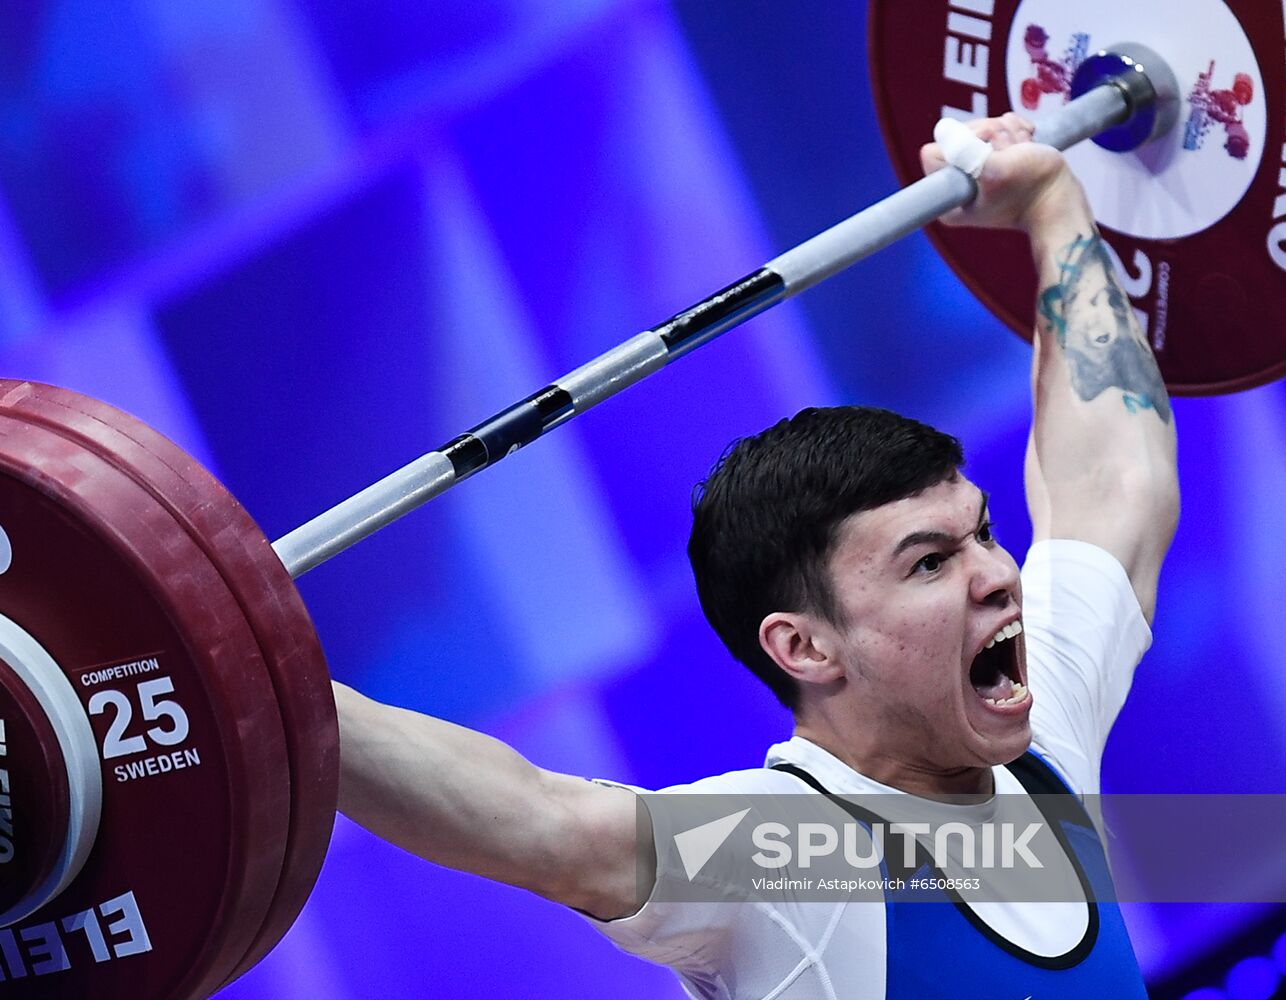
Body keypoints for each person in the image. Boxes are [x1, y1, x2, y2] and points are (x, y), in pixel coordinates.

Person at [332, 113, 1178, 996]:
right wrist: (240, 654)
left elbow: (1112, 490)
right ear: (806, 646)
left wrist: (1052, 203)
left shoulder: (1040, 746)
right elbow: (539, 819)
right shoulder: (781, 853)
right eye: (930, 563)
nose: (998, 575)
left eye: (985, 533)